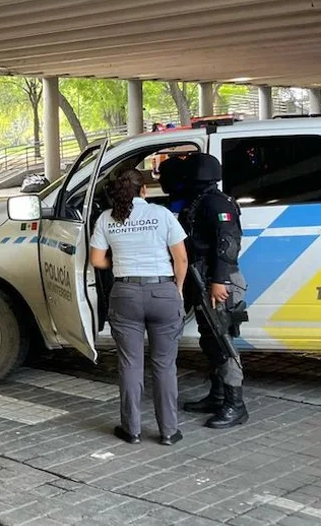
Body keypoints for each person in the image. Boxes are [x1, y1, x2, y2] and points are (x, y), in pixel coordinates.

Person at [89, 168, 188, 446]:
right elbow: (180, 259)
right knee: (165, 365)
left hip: (125, 293)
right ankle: (169, 431)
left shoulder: (107, 218)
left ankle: (131, 430)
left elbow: (97, 260)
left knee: (131, 365)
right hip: (162, 292)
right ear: (144, 190)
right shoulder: (162, 214)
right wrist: (177, 289)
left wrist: (120, 266)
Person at [179, 153, 250, 429]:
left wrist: (218, 280)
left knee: (223, 340)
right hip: (202, 278)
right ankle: (218, 394)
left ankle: (236, 404)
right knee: (210, 339)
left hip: (219, 280)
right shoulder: (200, 202)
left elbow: (228, 244)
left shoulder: (218, 203)